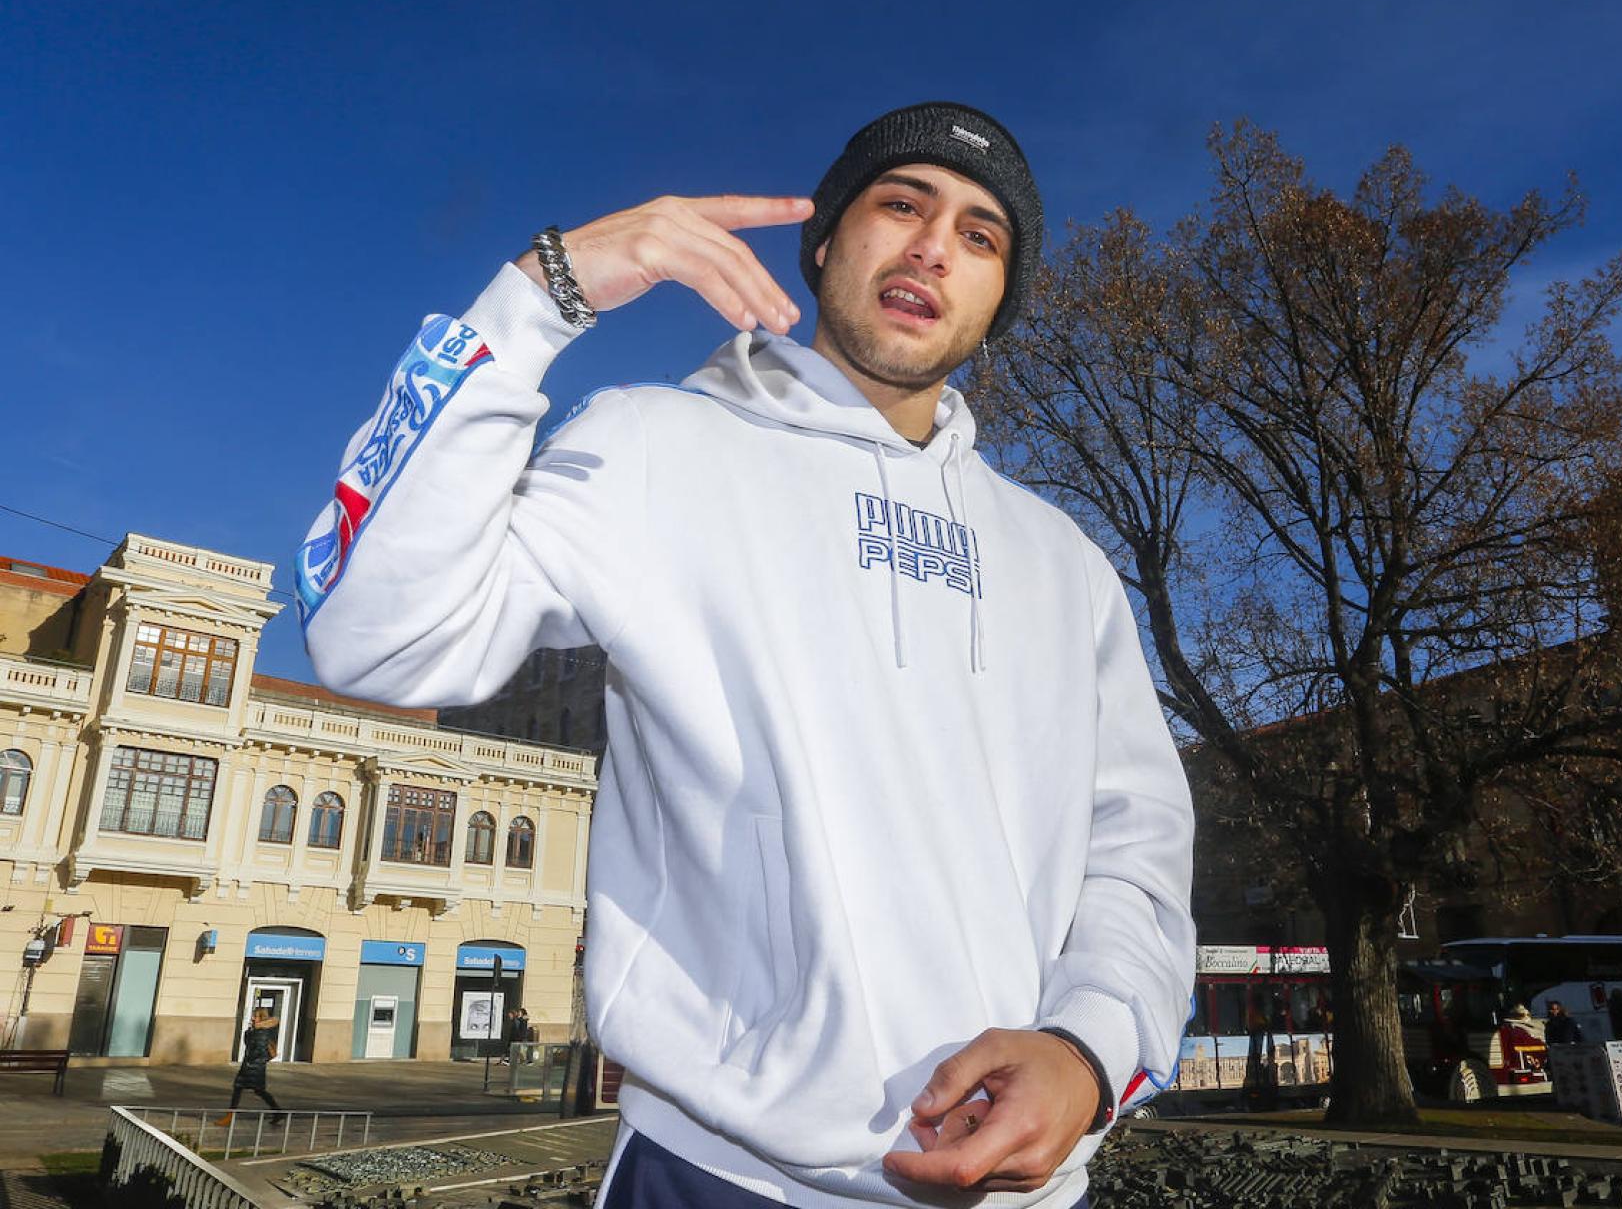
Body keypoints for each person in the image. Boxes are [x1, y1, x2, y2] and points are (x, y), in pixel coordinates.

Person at [296, 102, 1196, 1209]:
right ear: (822, 244)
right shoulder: (650, 445)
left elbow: (1137, 853)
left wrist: (1089, 1053)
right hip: (716, 1175)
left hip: (1025, 1192)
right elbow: (374, 634)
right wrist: (544, 290)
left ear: (998, 298)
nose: (930, 247)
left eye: (979, 234)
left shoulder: (1068, 566)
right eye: (901, 204)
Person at [215, 1007, 284, 1127]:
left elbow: (258, 1051)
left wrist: (252, 1062)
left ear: (261, 1018)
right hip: (252, 1065)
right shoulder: (255, 1031)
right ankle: (277, 1111)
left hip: (253, 1066)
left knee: (243, 1088)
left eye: (255, 1016)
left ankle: (230, 1116)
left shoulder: (261, 1032)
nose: (252, 1018)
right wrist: (250, 1032)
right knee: (256, 1090)